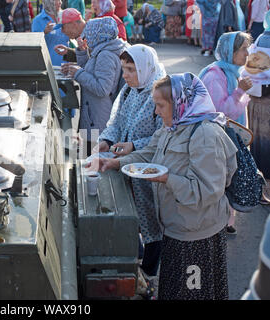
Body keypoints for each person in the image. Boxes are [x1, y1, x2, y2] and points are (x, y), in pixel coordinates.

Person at [87, 73, 238, 300]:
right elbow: (149, 153)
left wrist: (167, 178)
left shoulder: (205, 135)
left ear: (180, 102)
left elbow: (207, 191)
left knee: (192, 292)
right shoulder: (173, 126)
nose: (156, 112)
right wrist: (115, 162)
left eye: (160, 105)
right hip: (176, 227)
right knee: (175, 288)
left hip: (196, 235)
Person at [93, 44, 165, 279]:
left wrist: (134, 145)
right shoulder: (128, 91)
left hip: (147, 170)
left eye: (131, 69)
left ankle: (150, 271)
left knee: (150, 219)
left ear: (146, 68)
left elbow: (162, 137)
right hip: (124, 165)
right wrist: (106, 140)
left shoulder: (160, 95)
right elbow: (117, 122)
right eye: (124, 68)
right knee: (127, 213)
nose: (125, 75)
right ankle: (135, 256)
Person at [199, 32, 253, 234]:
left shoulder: (232, 72)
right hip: (219, 138)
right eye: (243, 49)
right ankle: (218, 222)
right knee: (222, 177)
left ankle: (226, 220)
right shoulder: (215, 75)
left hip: (231, 137)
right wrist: (239, 91)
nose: (247, 54)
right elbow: (221, 113)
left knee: (229, 175)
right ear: (230, 51)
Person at [61, 17, 127, 154]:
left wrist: (78, 73)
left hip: (97, 116)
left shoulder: (106, 55)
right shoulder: (104, 49)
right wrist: (81, 52)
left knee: (93, 156)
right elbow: (91, 71)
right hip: (94, 112)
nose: (86, 39)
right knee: (89, 153)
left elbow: (102, 88)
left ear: (97, 34)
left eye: (88, 36)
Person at [242, 11, 270, 203]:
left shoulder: (261, 38)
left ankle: (260, 188)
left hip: (255, 97)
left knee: (257, 144)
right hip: (266, 101)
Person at [32, 0, 69, 66]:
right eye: (57, 0)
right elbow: (34, 44)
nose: (60, 2)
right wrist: (44, 33)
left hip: (66, 65)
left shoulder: (66, 17)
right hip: (47, 66)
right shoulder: (37, 20)